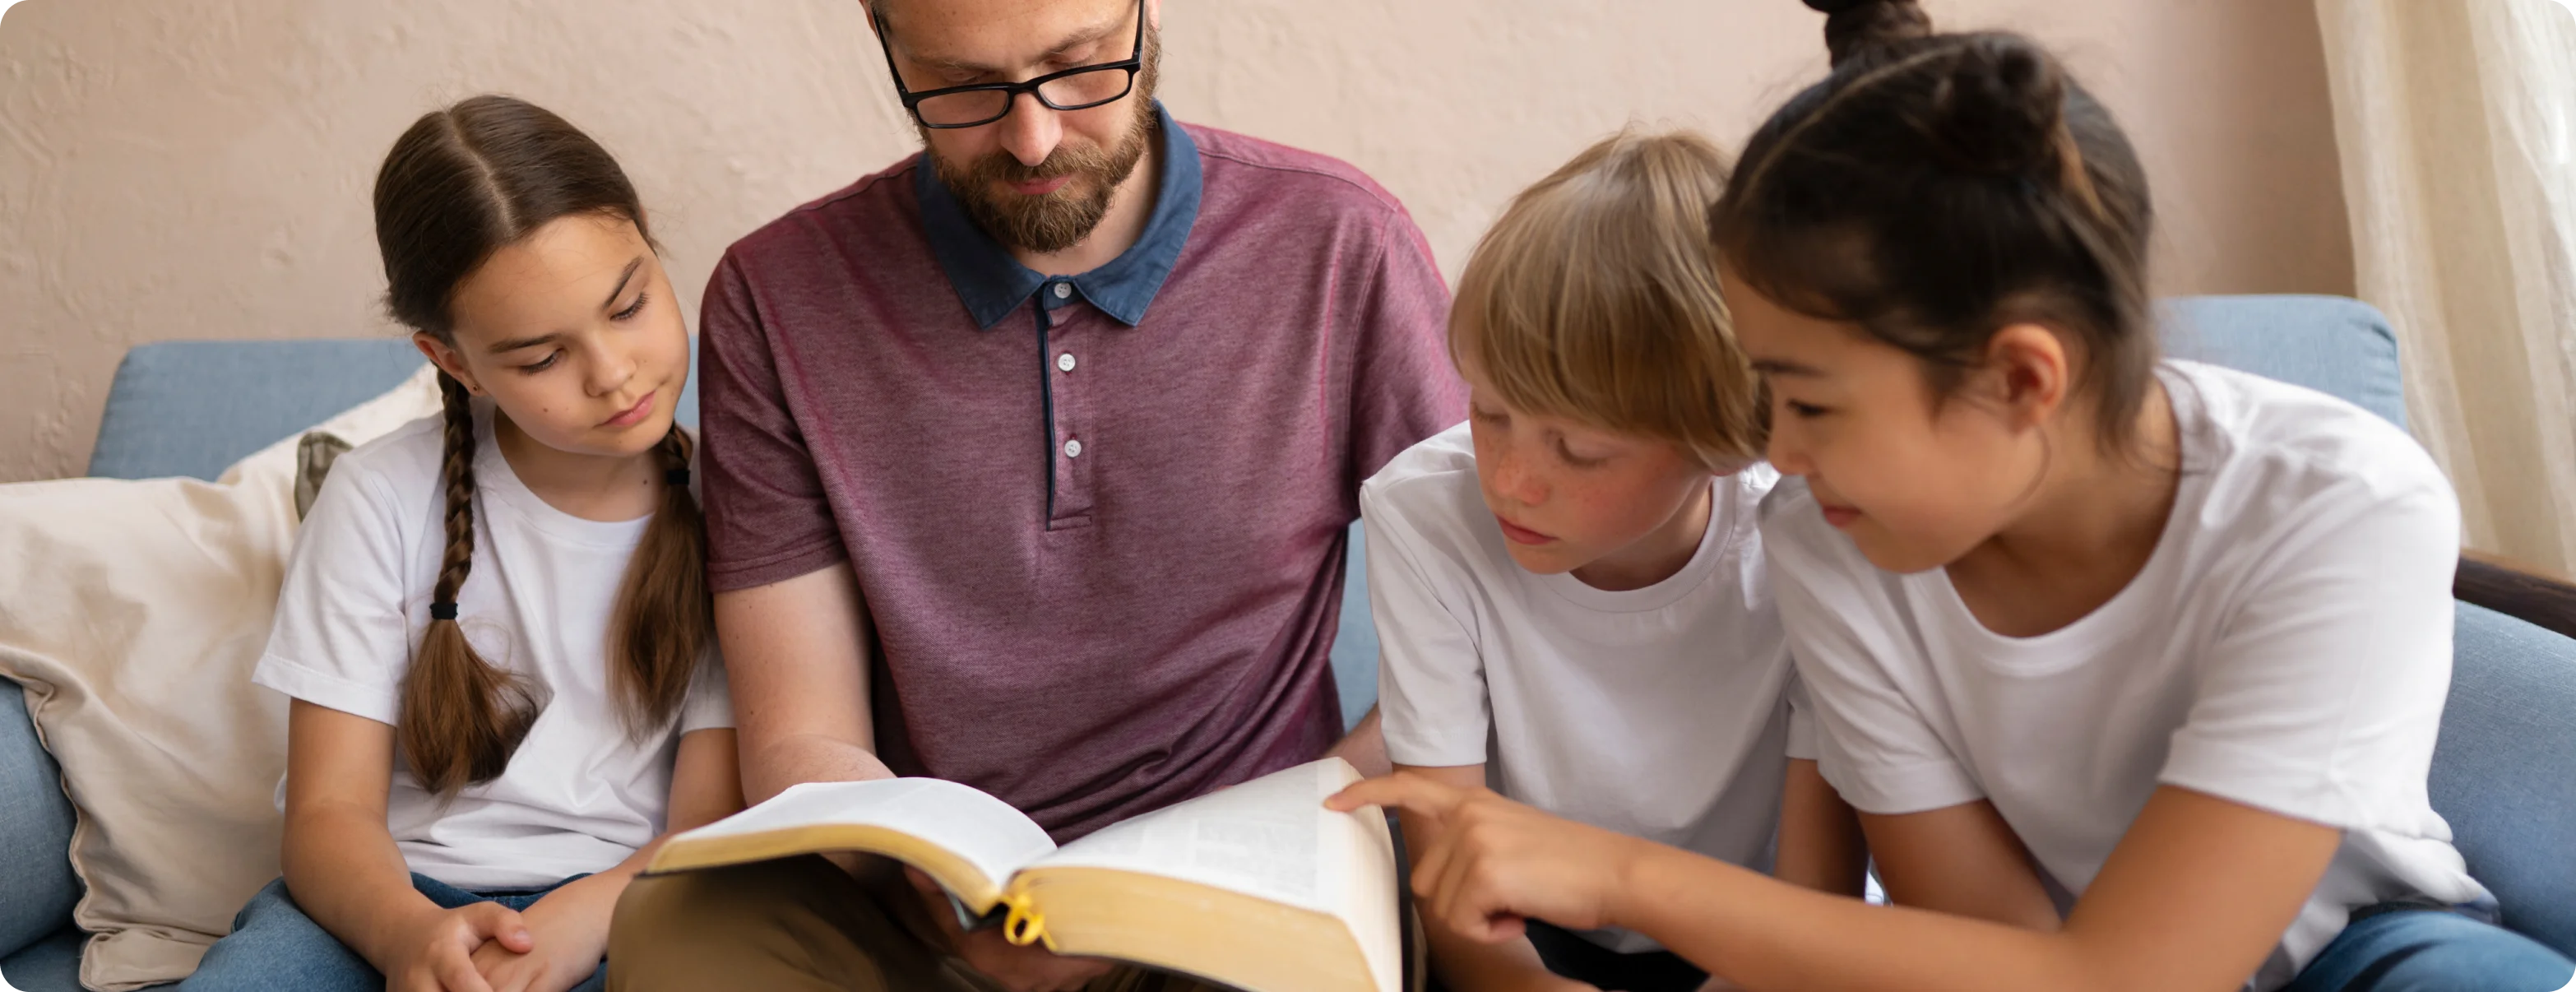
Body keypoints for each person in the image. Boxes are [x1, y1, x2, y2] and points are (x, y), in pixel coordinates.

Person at [1329, 2, 2576, 990]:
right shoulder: (1830, 545)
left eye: (1807, 405)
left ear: (2021, 377)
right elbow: (1991, 952)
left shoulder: (2339, 505)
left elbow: (2133, 975)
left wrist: (1621, 875)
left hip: (2360, 953)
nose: (1771, 452)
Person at [605, 0, 1465, 989]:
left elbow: (1474, 646)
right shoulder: (776, 295)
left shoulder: (1340, 243)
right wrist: (927, 886)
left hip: (1238, 904)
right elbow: (803, 734)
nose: (1034, 135)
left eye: (1082, 63)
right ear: (883, 36)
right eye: (966, 86)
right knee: (677, 928)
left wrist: (1319, 826)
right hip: (919, 910)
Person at [179, 95, 743, 992]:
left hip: (633, 904)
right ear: (454, 362)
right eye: (542, 358)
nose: (614, 374)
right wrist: (410, 937)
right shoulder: (379, 499)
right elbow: (328, 817)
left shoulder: (742, 505)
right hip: (385, 905)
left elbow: (711, 829)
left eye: (629, 306)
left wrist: (581, 920)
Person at [1362, 130, 1861, 992]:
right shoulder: (1424, 517)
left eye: (1583, 452)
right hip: (1525, 939)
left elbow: (1817, 906)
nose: (1511, 482)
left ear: (1723, 442)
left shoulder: (1814, 540)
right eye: (1490, 413)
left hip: (1753, 940)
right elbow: (1457, 905)